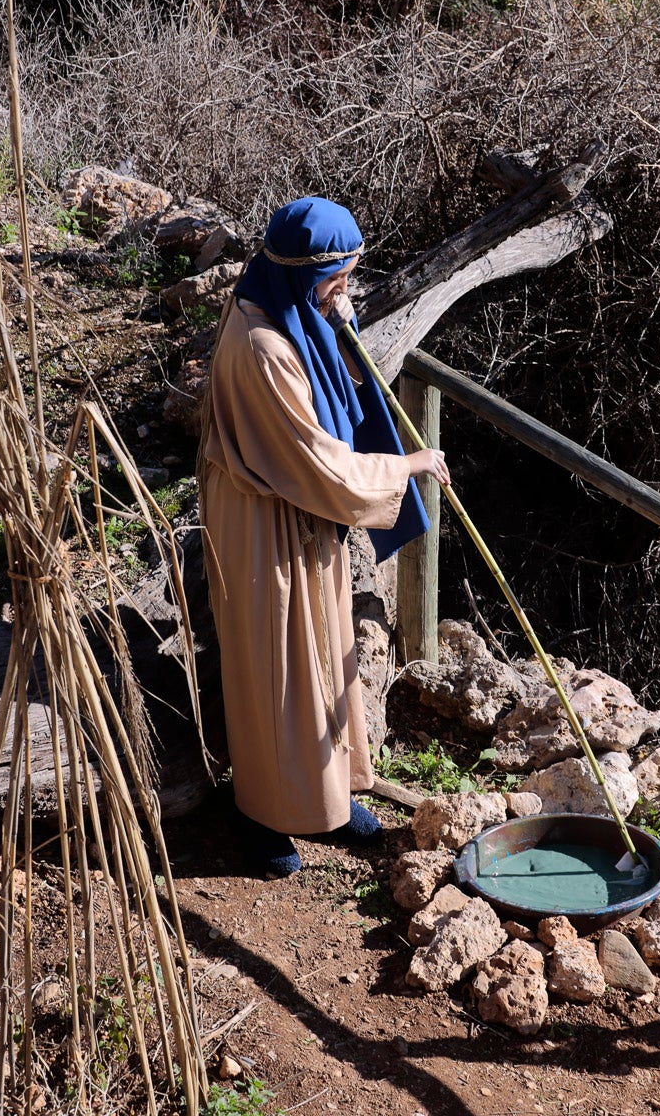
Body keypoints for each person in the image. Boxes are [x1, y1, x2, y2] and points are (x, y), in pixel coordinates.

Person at [198, 196, 450, 877]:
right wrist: (409, 463)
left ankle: (325, 801)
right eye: (337, 276)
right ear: (300, 271)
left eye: (350, 274)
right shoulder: (261, 345)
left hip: (297, 512)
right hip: (264, 521)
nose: (345, 289)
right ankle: (259, 813)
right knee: (274, 671)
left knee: (320, 658)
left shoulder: (286, 310)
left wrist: (339, 319)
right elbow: (317, 461)